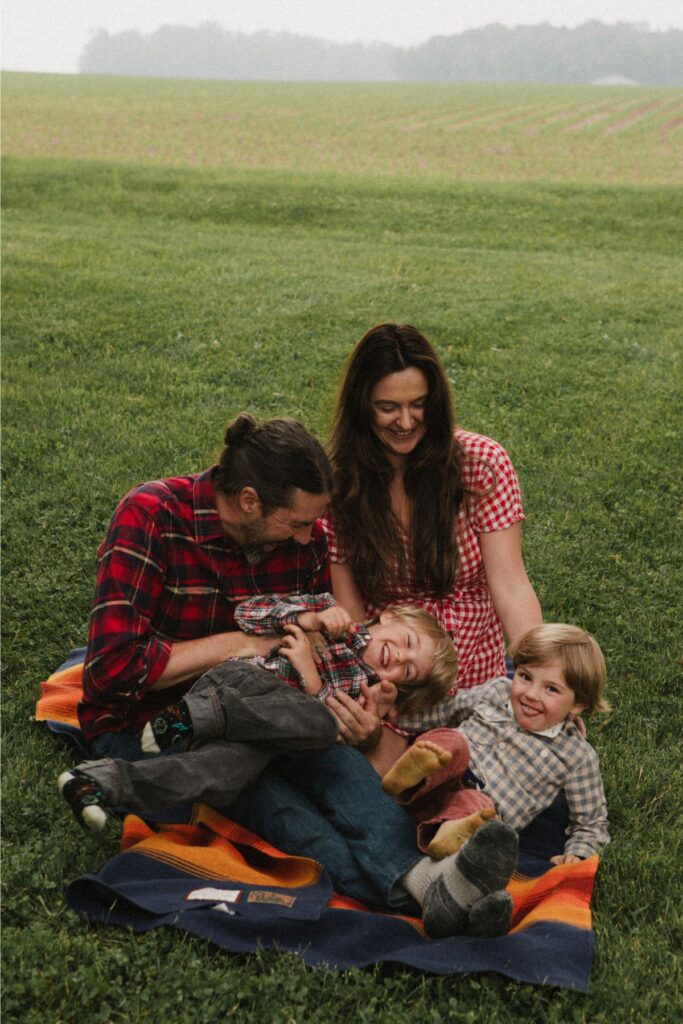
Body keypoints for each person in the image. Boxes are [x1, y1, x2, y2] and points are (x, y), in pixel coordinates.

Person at [58, 595, 458, 825]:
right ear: (389, 616)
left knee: (223, 775)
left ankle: (101, 783)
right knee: (319, 721)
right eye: (405, 641)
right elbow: (247, 613)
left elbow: (327, 741)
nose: (398, 657)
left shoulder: (359, 693)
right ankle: (202, 714)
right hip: (237, 687)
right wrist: (307, 617)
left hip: (253, 732)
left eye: (408, 670)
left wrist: (314, 680)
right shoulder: (328, 618)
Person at [78, 412, 335, 763]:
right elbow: (113, 670)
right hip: (152, 725)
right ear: (249, 501)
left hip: (272, 719)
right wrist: (244, 644)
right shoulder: (152, 516)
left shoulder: (307, 540)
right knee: (284, 815)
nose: (308, 537)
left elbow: (321, 648)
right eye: (297, 523)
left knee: (376, 815)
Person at [382, 624, 610, 864]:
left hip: (478, 805)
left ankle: (451, 832)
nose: (531, 694)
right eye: (525, 676)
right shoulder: (496, 691)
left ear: (578, 705)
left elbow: (591, 821)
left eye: (551, 689)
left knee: (480, 810)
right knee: (451, 743)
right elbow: (445, 710)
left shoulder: (576, 756)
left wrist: (578, 853)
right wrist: (397, 716)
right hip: (444, 772)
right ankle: (413, 771)